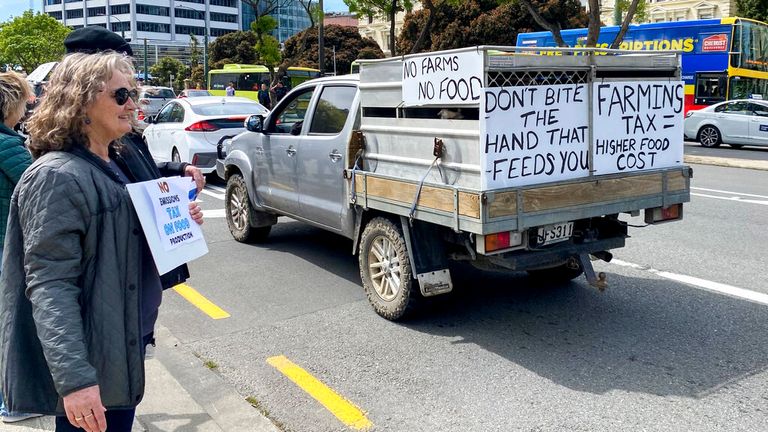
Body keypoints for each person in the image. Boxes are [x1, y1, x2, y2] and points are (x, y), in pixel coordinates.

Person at [0, 52, 204, 432]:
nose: (134, 104)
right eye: (121, 94)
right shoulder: (57, 176)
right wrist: (75, 381)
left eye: (136, 93)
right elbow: (49, 286)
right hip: (93, 351)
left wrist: (175, 219)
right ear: (80, 101)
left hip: (123, 336)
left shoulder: (114, 158)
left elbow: (120, 235)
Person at [0, 72, 44, 424]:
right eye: (25, 101)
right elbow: (37, 192)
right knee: (11, 327)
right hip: (5, 250)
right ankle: (12, 402)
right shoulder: (8, 145)